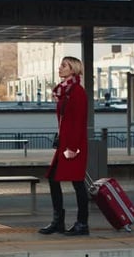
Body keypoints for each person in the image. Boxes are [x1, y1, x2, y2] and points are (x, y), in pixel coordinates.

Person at [38, 56, 89, 236]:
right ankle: (59, 221)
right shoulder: (66, 91)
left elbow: (79, 121)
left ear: (73, 69)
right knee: (54, 179)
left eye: (64, 65)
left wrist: (73, 148)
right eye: (61, 65)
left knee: (77, 182)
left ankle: (82, 223)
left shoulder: (78, 92)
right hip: (65, 145)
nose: (60, 68)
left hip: (73, 147)